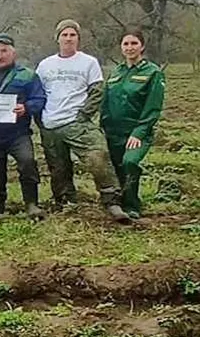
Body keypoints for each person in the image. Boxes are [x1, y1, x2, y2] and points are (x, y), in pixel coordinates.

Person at [37, 19, 128, 221]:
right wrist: (41, 120)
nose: (68, 38)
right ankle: (66, 203)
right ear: (57, 38)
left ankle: (112, 200)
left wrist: (84, 114)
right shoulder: (45, 65)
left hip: (78, 123)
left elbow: (97, 91)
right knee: (58, 168)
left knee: (98, 157)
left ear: (78, 38)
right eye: (64, 35)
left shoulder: (88, 62)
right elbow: (38, 93)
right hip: (51, 125)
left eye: (73, 35)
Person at [0, 34, 46, 218]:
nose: (0, 55)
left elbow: (39, 99)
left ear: (13, 52)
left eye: (4, 51)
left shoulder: (28, 75)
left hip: (18, 133)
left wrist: (26, 108)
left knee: (28, 162)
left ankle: (31, 204)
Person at [100, 29, 165, 219]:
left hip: (136, 132)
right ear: (121, 47)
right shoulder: (115, 72)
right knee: (115, 166)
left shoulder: (152, 73)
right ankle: (117, 202)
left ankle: (132, 205)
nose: (130, 48)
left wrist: (139, 132)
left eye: (134, 43)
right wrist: (102, 127)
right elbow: (106, 101)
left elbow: (153, 107)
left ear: (142, 46)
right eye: (126, 44)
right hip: (113, 131)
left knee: (130, 162)